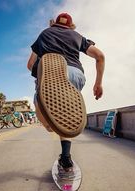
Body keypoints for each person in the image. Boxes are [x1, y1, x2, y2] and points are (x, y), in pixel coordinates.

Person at [27, 13, 105, 172]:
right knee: (65, 115)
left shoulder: (45, 34)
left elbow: (30, 64)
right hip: (75, 74)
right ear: (71, 26)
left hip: (50, 72)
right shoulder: (77, 36)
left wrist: (39, 75)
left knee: (44, 112)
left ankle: (49, 124)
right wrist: (98, 84)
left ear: (54, 24)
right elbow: (100, 56)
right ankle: (66, 157)